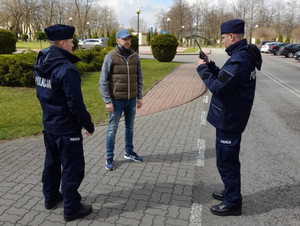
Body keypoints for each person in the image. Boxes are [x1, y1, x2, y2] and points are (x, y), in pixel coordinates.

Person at [196, 19, 262, 216]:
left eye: (223, 38)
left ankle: (233, 202)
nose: (222, 41)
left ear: (232, 36)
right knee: (227, 158)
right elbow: (225, 78)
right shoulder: (241, 56)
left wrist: (201, 69)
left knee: (227, 161)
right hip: (232, 117)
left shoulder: (239, 60)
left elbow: (218, 87)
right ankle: (229, 190)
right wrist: (211, 65)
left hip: (230, 119)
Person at [34, 24, 94, 222]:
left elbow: (41, 94)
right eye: (71, 42)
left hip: (50, 126)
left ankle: (50, 198)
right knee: (72, 167)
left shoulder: (42, 60)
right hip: (67, 129)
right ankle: (72, 208)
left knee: (51, 164)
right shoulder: (66, 69)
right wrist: (88, 124)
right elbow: (75, 103)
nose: (73, 44)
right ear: (62, 43)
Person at [99, 29, 143, 171]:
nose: (127, 41)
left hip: (130, 100)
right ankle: (109, 158)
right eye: (124, 39)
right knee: (112, 129)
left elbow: (139, 78)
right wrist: (107, 101)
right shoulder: (110, 56)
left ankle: (129, 152)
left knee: (129, 128)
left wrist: (139, 97)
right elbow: (102, 81)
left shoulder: (135, 57)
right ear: (117, 40)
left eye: (129, 39)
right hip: (116, 100)